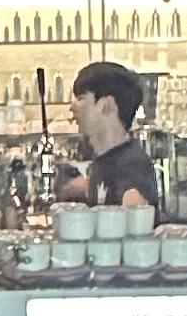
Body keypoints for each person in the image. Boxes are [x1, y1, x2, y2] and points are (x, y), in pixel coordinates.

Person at [65, 59, 162, 216]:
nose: (72, 107)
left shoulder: (132, 168)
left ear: (107, 105)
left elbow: (136, 223)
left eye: (81, 98)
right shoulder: (103, 161)